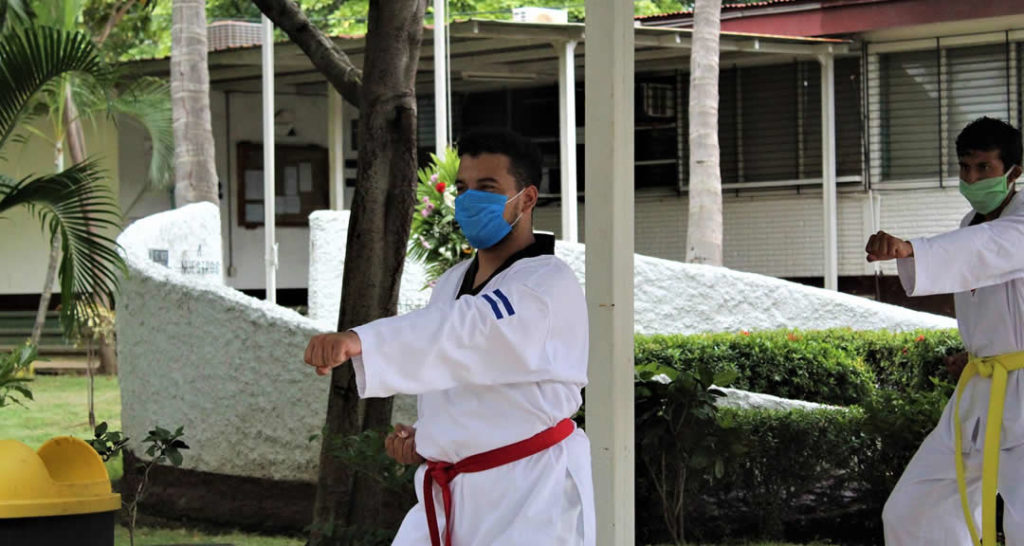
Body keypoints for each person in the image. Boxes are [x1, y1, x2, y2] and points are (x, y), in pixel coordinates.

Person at [304, 128, 594, 546]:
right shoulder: (455, 281)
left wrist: (360, 340)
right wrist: (430, 437)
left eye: (487, 188)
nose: (469, 199)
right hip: (454, 490)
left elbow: (466, 333)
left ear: (527, 199)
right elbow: (457, 366)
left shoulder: (545, 284)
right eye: (463, 187)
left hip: (530, 494)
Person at [868, 116, 1024, 545]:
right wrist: (976, 352)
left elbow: (993, 248)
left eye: (984, 168)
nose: (972, 177)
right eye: (965, 167)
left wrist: (911, 249)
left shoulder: (1017, 221)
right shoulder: (970, 222)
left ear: (1015, 171)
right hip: (982, 390)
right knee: (913, 512)